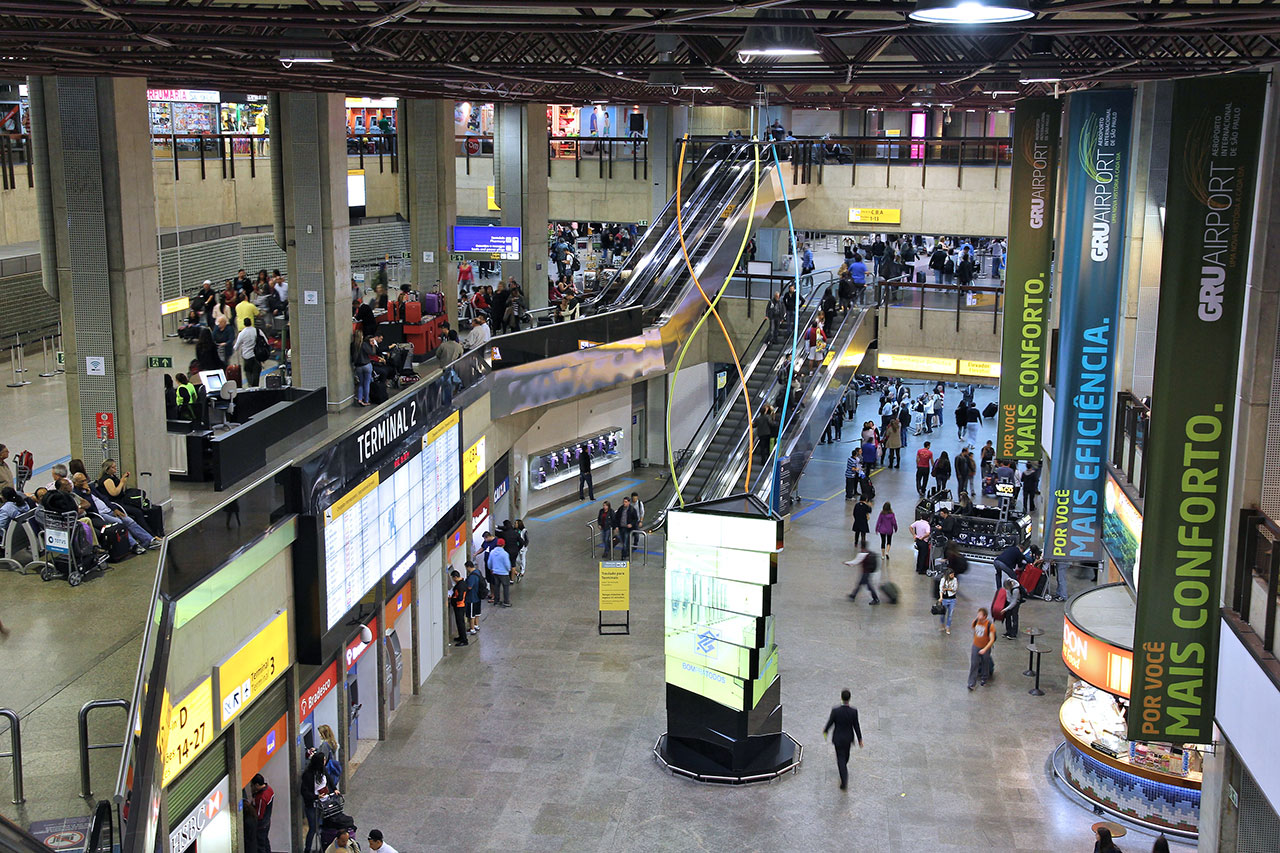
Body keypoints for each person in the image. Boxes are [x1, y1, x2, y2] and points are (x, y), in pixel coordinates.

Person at [821, 688, 864, 790]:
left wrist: (825, 730)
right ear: (849, 698)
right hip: (848, 738)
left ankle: (843, 772)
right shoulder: (853, 711)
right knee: (845, 757)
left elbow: (830, 722)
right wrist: (860, 739)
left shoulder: (836, 711)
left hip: (838, 738)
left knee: (842, 759)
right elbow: (856, 726)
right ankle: (844, 779)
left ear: (841, 698)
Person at [299, 751, 329, 853]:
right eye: (323, 760)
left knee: (318, 826)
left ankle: (320, 847)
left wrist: (334, 789)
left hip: (321, 802)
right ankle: (307, 849)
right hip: (312, 804)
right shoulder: (308, 775)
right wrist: (316, 796)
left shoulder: (322, 770)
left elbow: (328, 779)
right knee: (313, 827)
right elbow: (304, 791)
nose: (325, 761)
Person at [968, 607, 997, 690]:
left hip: (985, 647)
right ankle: (971, 683)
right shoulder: (976, 622)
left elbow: (992, 639)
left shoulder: (990, 626)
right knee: (974, 663)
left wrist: (985, 648)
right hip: (976, 645)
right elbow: (974, 630)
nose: (978, 616)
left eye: (980, 615)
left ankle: (984, 678)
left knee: (985, 663)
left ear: (985, 616)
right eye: (978, 614)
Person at [234, 317, 264, 388]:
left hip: (247, 356)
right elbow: (265, 340)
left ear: (244, 324)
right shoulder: (257, 331)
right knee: (256, 372)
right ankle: (256, 386)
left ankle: (250, 385)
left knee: (248, 371)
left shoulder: (242, 333)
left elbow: (236, 347)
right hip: (257, 356)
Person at [250, 773, 274, 853]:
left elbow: (259, 815)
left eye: (252, 786)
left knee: (260, 846)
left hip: (261, 825)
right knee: (265, 842)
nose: (251, 788)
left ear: (257, 785)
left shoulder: (261, 797)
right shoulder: (269, 789)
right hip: (267, 822)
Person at [352, 331, 376, 407]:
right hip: (367, 365)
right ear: (361, 336)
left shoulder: (353, 345)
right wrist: (373, 346)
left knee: (361, 383)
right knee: (366, 384)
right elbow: (372, 353)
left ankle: (359, 399)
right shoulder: (364, 344)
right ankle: (366, 400)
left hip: (358, 367)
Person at [488, 538, 512, 607]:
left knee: (496, 587)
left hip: (495, 572)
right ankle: (506, 602)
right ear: (503, 545)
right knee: (506, 587)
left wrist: (491, 568)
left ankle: (496, 601)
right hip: (504, 573)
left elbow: (489, 562)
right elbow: (507, 564)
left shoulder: (492, 552)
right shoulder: (504, 554)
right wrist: (509, 569)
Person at [449, 570, 469, 646]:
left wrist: (452, 599)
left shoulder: (460, 586)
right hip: (460, 605)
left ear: (455, 577)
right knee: (460, 622)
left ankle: (464, 640)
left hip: (459, 606)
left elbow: (460, 597)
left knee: (460, 623)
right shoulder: (462, 583)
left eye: (453, 578)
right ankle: (461, 637)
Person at [317, 724, 341, 788]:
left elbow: (323, 758)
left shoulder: (325, 744)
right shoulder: (332, 742)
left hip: (326, 770)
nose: (319, 735)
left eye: (320, 733)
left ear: (323, 734)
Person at [937, 567, 958, 634]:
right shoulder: (943, 580)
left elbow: (955, 588)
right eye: (951, 575)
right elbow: (941, 589)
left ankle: (948, 627)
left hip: (952, 599)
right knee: (943, 614)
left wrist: (947, 589)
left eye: (953, 574)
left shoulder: (955, 580)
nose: (953, 576)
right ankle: (942, 625)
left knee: (950, 614)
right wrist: (941, 597)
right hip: (945, 599)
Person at [465, 560, 483, 636]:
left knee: (471, 615)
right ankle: (476, 625)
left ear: (468, 567)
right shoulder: (478, 572)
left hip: (472, 597)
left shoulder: (472, 576)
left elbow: (469, 587)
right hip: (478, 596)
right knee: (477, 613)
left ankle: (472, 629)